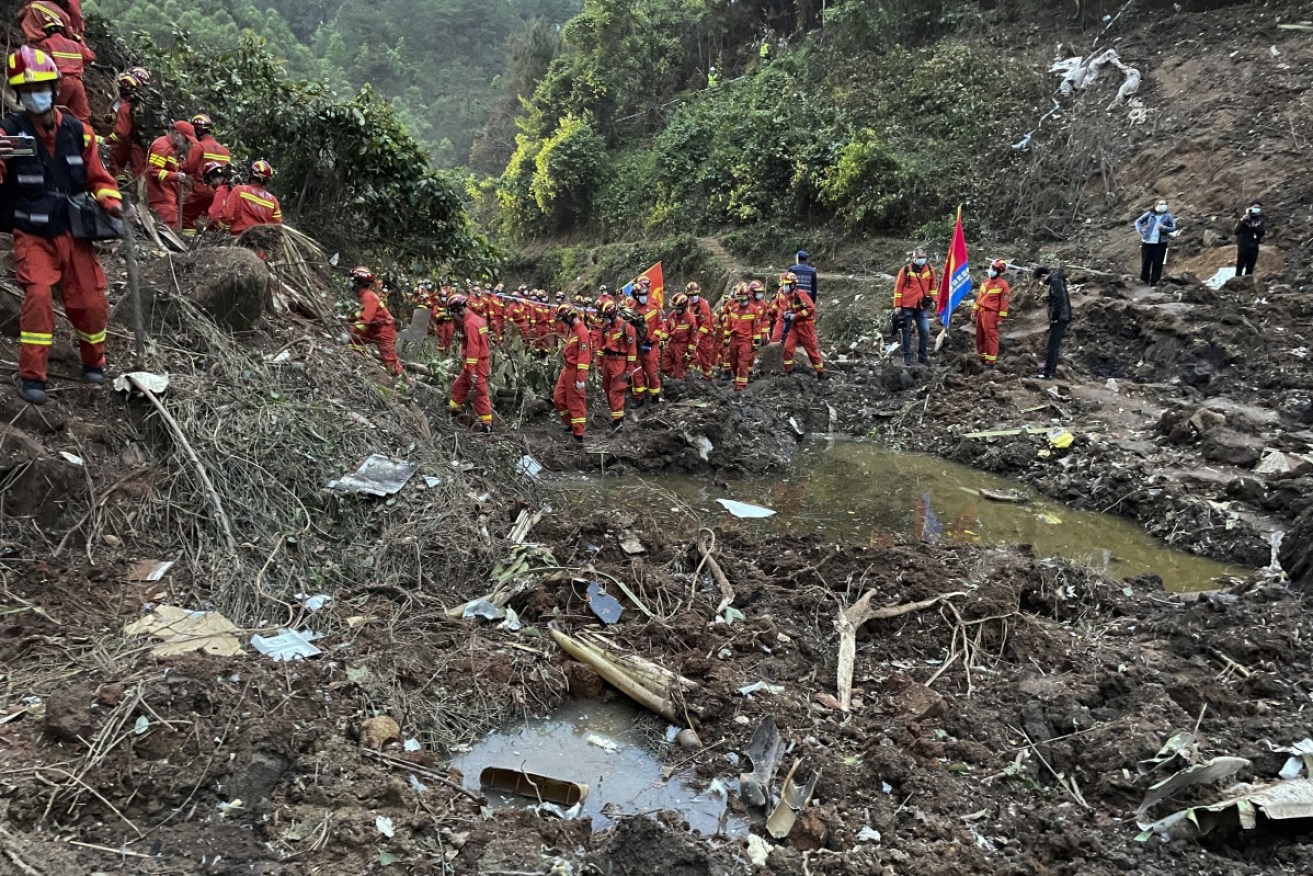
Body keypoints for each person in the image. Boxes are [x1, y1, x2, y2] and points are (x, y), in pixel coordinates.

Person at [1, 46, 123, 405]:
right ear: (19, 95)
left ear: (54, 88)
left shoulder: (78, 132)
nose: (34, 95)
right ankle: (32, 377)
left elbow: (99, 178)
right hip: (33, 234)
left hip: (75, 232)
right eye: (27, 91)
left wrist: (110, 202)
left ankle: (93, 362)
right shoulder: (8, 134)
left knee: (91, 302)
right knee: (38, 297)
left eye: (40, 88)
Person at [446, 293, 493, 432]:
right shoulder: (477, 319)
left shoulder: (470, 324)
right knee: (458, 386)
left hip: (477, 365)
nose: (454, 317)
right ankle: (453, 412)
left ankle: (486, 426)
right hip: (474, 364)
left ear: (459, 310)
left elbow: (474, 349)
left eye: (453, 313)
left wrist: (472, 371)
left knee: (480, 395)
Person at [181, 113, 231, 235]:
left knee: (185, 215)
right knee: (213, 220)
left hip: (203, 188)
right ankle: (210, 244)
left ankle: (187, 242)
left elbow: (188, 167)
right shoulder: (225, 151)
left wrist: (176, 165)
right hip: (221, 192)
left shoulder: (199, 147)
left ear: (198, 130)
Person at [348, 266, 402, 377]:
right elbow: (362, 313)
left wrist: (350, 331)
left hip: (384, 330)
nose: (350, 283)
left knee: (389, 361)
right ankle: (358, 362)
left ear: (358, 283)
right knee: (355, 340)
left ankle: (402, 383)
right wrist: (349, 318)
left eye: (352, 280)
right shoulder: (365, 296)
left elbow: (365, 320)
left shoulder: (369, 296)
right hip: (374, 328)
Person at [36, 20, 93, 123]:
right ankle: (85, 137)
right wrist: (80, 41)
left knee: (52, 114)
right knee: (82, 117)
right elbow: (90, 56)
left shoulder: (46, 43)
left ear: (47, 32)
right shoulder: (75, 44)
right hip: (78, 84)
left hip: (61, 82)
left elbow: (43, 67)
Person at [146, 120, 194, 230]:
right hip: (162, 198)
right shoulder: (162, 147)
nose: (187, 143)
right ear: (177, 134)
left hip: (168, 197)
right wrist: (176, 176)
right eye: (186, 139)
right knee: (169, 230)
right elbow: (154, 171)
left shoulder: (171, 149)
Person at [553, 304, 591, 442]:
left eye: (564, 319)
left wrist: (581, 377)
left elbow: (584, 356)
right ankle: (571, 423)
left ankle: (578, 433)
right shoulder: (573, 330)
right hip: (567, 369)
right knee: (559, 398)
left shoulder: (582, 332)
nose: (563, 322)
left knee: (575, 401)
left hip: (575, 370)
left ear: (569, 317)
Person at [893, 248, 937, 365]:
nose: (923, 260)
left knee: (925, 331)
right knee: (906, 331)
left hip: (922, 306)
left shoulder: (930, 269)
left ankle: (922, 356)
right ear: (914, 258)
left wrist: (934, 300)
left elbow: (933, 285)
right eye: (920, 258)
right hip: (907, 305)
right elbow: (898, 288)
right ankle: (906, 356)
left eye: (924, 257)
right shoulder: (906, 270)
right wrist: (897, 305)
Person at [599, 301, 637, 432]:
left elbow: (632, 350)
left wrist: (630, 368)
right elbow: (600, 346)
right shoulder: (605, 327)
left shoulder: (627, 327)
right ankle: (615, 415)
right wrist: (599, 363)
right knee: (608, 389)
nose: (605, 320)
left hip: (619, 361)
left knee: (617, 390)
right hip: (607, 361)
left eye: (607, 317)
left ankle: (618, 421)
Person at [219, 160, 281, 234]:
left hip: (238, 239)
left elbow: (227, 215)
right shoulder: (273, 201)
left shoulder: (239, 190)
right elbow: (277, 226)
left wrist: (222, 228)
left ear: (252, 174)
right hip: (262, 242)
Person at [1032, 266, 1072, 380]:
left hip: (1060, 317)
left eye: (1039, 280)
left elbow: (1059, 301)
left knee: (1052, 345)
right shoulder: (1057, 280)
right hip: (1062, 316)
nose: (1040, 282)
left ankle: (1048, 372)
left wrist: (1054, 317)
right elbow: (1057, 298)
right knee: (1053, 345)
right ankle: (1049, 370)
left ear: (1043, 276)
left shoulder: (1055, 281)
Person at [631, 278, 665, 405]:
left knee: (651, 370)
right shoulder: (630, 311)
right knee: (637, 371)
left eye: (646, 294)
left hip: (651, 345)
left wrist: (651, 341)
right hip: (636, 345)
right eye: (642, 295)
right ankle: (638, 397)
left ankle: (655, 395)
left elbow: (660, 327)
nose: (645, 297)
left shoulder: (653, 308)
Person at [781, 278, 825, 378]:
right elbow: (791, 308)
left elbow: (810, 308)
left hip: (805, 327)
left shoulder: (801, 294)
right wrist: (787, 313)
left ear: (792, 285)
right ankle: (788, 372)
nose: (783, 287)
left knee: (811, 351)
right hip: (794, 327)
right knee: (788, 348)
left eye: (785, 285)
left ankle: (820, 372)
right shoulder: (789, 297)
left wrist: (796, 315)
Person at [107, 70, 148, 179]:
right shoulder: (146, 104)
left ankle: (120, 184)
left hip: (133, 143)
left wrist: (106, 140)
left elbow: (122, 133)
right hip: (145, 144)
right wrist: (114, 117)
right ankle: (123, 182)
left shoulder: (125, 106)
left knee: (115, 159)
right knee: (141, 173)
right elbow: (132, 119)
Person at [973, 259, 1011, 367]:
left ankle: (991, 361)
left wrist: (1000, 318)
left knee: (991, 337)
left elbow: (1004, 304)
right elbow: (980, 297)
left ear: (999, 271)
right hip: (981, 312)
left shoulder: (1003, 285)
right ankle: (983, 357)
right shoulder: (985, 282)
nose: (991, 270)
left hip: (991, 314)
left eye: (994, 269)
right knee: (980, 336)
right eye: (991, 268)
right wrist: (974, 311)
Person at [724, 284, 762, 391]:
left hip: (746, 340)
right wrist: (726, 337)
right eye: (739, 298)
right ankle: (738, 378)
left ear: (748, 297)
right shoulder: (734, 309)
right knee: (733, 361)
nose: (741, 301)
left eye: (743, 298)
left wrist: (756, 341)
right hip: (734, 339)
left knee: (743, 362)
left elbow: (757, 327)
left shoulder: (754, 310)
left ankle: (741, 385)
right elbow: (729, 324)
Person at [1134, 198, 1177, 287]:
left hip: (1161, 243)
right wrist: (1141, 230)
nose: (1162, 206)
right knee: (1146, 263)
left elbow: (1173, 228)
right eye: (1160, 204)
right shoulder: (1150, 214)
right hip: (1147, 242)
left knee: (1158, 263)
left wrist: (1163, 228)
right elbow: (1138, 221)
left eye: (1164, 204)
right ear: (1155, 205)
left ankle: (1155, 283)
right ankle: (1143, 282)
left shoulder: (1168, 216)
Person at [661, 292, 698, 379]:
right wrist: (664, 336)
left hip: (682, 346)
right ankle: (672, 379)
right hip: (672, 344)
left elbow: (693, 337)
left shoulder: (690, 319)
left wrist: (690, 353)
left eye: (677, 308)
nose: (675, 310)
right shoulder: (673, 314)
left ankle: (680, 386)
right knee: (664, 365)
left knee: (679, 369)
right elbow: (667, 326)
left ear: (684, 307)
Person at [687, 282, 716, 380]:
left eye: (694, 295)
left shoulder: (703, 306)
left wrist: (698, 337)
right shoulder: (689, 304)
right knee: (689, 354)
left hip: (703, 336)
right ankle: (691, 373)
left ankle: (708, 376)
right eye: (690, 295)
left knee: (704, 357)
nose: (692, 297)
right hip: (693, 334)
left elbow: (705, 325)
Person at [1234, 202, 1265, 277]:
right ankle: (1237, 281)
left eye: (1258, 208)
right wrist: (1243, 221)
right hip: (1243, 245)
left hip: (1253, 246)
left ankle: (1247, 283)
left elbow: (1261, 233)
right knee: (1240, 266)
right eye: (1255, 208)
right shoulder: (1243, 219)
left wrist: (1254, 227)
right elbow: (1235, 231)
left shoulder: (1259, 221)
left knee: (1250, 267)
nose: (1256, 210)